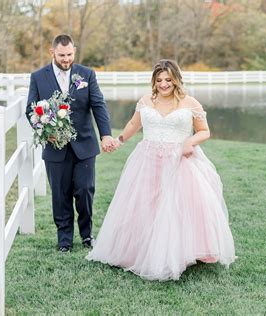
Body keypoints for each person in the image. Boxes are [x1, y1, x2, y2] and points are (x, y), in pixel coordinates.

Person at [86, 59, 236, 281]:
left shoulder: (189, 102)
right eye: (159, 80)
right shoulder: (146, 101)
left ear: (176, 79)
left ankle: (179, 251)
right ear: (154, 82)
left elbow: (204, 131)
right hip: (148, 159)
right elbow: (133, 125)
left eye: (168, 79)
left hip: (179, 160)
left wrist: (189, 143)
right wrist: (118, 140)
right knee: (146, 204)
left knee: (176, 207)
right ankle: (139, 249)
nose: (164, 84)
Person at [26, 34, 117, 253]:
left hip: (84, 145)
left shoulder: (86, 74)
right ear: (52, 52)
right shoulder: (38, 77)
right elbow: (31, 109)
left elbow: (98, 105)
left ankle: (86, 235)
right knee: (60, 193)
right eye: (62, 55)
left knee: (85, 190)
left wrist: (106, 134)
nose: (66, 59)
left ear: (74, 51)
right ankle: (64, 240)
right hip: (55, 147)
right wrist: (43, 131)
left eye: (69, 55)